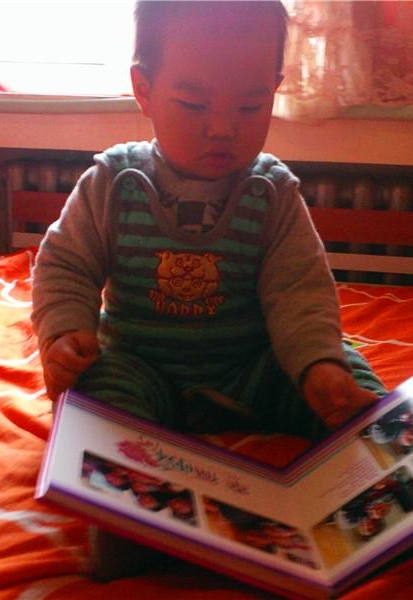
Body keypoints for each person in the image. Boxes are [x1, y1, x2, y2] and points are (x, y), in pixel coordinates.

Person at [31, 0, 386, 580]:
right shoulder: (113, 183)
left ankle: (411, 483)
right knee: (98, 398)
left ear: (274, 91)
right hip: (143, 366)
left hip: (255, 366)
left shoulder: (272, 193)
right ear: (143, 90)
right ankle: (128, 524)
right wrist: (65, 333)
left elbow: (299, 291)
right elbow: (65, 265)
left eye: (250, 106)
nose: (223, 127)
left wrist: (317, 365)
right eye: (194, 104)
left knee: (348, 376)